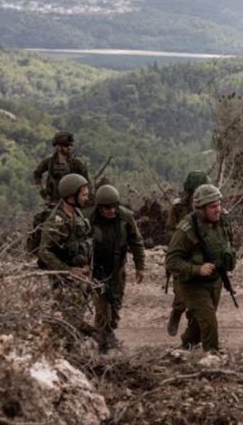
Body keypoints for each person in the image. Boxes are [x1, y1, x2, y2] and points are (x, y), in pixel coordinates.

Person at [165, 184, 236, 352]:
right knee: (209, 321)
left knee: (199, 323)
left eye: (219, 204)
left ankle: (185, 346)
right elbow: (172, 261)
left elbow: (229, 243)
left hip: (215, 280)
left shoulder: (222, 221)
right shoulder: (186, 230)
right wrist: (197, 269)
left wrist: (229, 257)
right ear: (200, 209)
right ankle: (212, 356)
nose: (218, 209)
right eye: (213, 207)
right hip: (192, 283)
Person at [87, 185, 146, 352]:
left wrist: (139, 266)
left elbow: (136, 241)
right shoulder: (89, 218)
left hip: (117, 270)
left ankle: (109, 331)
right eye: (107, 207)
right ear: (99, 207)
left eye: (114, 206)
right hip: (96, 270)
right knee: (101, 307)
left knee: (115, 308)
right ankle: (102, 343)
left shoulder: (125, 217)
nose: (112, 210)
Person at [37, 173, 95, 337]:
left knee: (76, 315)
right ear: (71, 196)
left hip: (80, 278)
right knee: (69, 319)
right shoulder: (56, 221)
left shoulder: (78, 215)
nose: (87, 197)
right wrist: (68, 270)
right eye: (83, 194)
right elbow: (44, 252)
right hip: (64, 280)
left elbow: (86, 242)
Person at [165, 170, 211, 336]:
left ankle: (192, 331)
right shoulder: (178, 207)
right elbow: (170, 231)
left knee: (199, 296)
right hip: (183, 256)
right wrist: (184, 239)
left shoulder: (209, 205)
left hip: (202, 257)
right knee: (181, 292)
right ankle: (176, 312)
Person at [33, 131, 89, 204]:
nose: (69, 147)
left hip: (72, 203)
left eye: (71, 145)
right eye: (66, 145)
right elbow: (36, 174)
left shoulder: (77, 163)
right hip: (53, 202)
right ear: (58, 147)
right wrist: (43, 193)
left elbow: (86, 183)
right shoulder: (49, 162)